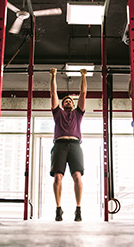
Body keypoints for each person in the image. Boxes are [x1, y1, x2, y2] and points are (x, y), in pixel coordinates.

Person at [49, 68, 87, 222]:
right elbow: (53, 93)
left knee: (77, 176)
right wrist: (53, 75)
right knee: (58, 177)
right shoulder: (57, 113)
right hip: (59, 145)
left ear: (73, 104)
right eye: (65, 101)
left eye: (70, 101)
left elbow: (83, 93)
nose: (68, 102)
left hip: (75, 145)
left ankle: (78, 209)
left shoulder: (78, 113)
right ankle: (58, 209)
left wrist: (83, 76)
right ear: (62, 104)